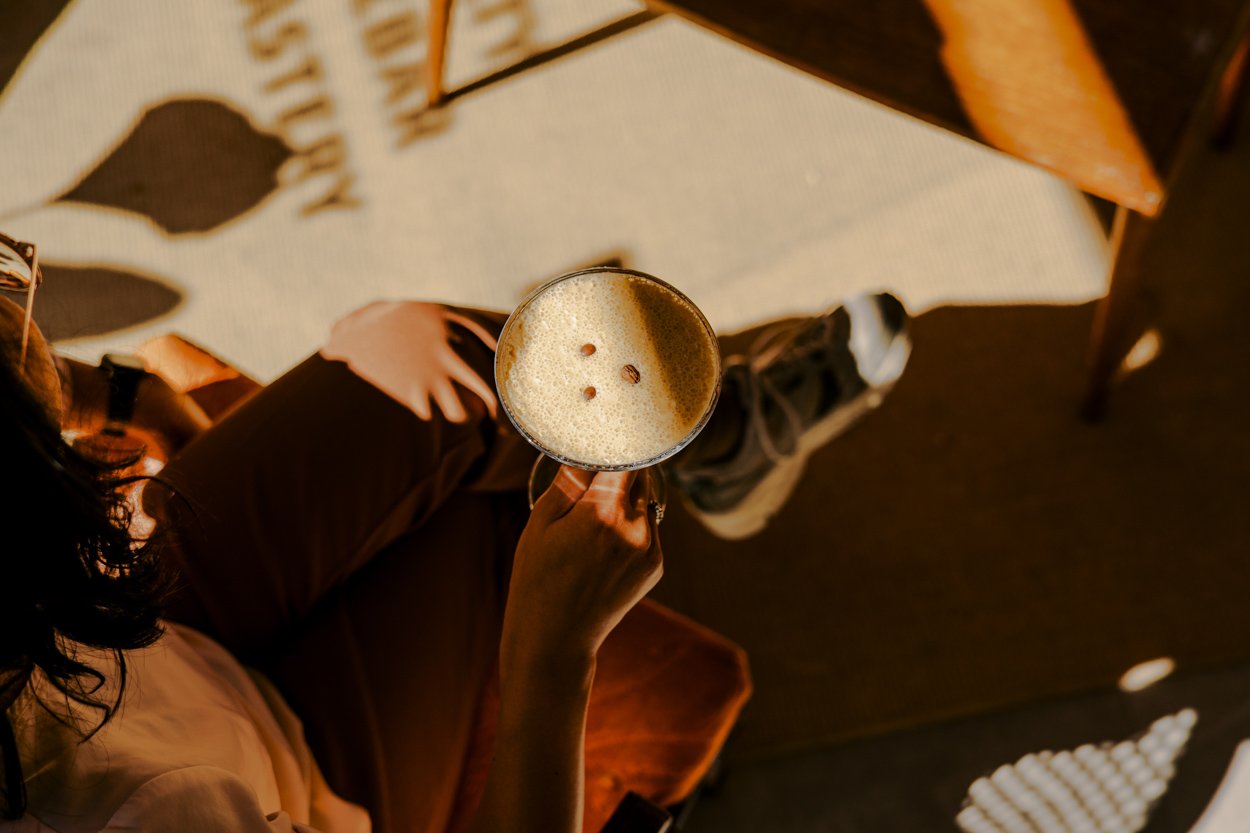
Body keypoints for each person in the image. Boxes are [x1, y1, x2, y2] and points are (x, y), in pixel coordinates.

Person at [0, 252, 910, 833]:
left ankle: (718, 443)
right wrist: (552, 656)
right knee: (501, 508)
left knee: (430, 351)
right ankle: (703, 444)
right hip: (299, 779)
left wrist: (103, 395)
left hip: (131, 623)